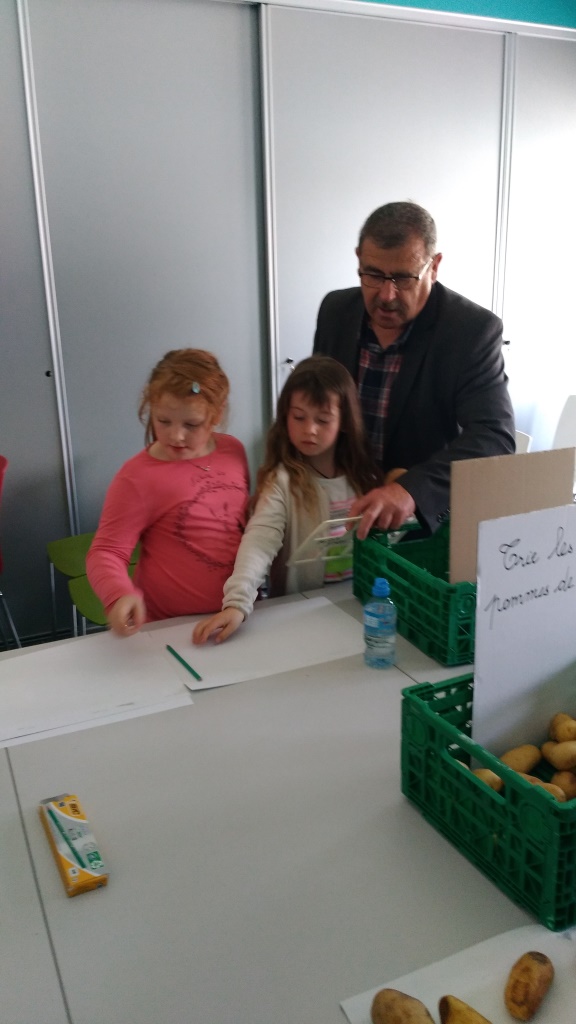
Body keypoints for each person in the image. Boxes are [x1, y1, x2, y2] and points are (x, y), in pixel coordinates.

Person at [313, 201, 515, 539]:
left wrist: (411, 489)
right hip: (341, 510)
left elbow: (494, 437)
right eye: (373, 275)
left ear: (434, 267)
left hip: (420, 526)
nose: (386, 295)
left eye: (403, 278)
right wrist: (280, 477)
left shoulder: (471, 331)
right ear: (358, 258)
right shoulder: (336, 311)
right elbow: (312, 403)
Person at [192, 355, 380, 645]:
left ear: (344, 421)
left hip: (359, 608)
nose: (310, 429)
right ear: (285, 417)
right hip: (301, 614)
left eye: (322, 419)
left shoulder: (365, 478)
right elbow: (260, 539)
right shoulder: (283, 481)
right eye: (299, 417)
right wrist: (237, 603)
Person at [86, 349, 250, 637]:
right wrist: (119, 594)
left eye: (191, 425)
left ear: (217, 414)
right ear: (150, 408)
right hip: (170, 628)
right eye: (163, 421)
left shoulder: (233, 450)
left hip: (234, 618)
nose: (176, 436)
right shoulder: (137, 477)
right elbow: (107, 551)